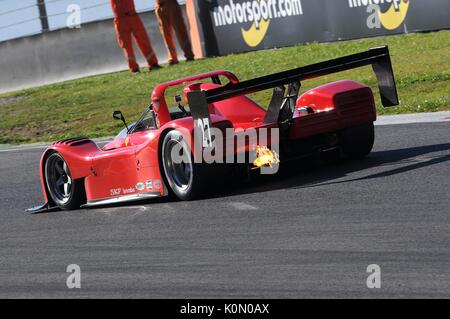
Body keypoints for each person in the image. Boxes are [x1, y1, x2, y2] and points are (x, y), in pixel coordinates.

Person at [110, 0, 160, 73]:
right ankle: (134, 68)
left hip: (132, 15)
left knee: (143, 40)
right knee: (126, 45)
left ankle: (153, 63)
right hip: (120, 19)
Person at [155, 0, 195, 65]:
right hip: (159, 6)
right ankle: (172, 58)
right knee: (166, 35)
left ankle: (189, 55)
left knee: (180, 31)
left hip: (171, 4)